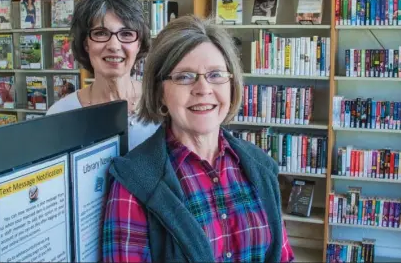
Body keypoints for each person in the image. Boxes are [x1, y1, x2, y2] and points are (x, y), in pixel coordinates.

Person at [103, 15, 295, 262]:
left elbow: (283, 255)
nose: (203, 89)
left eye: (216, 75)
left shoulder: (260, 166)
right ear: (160, 92)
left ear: (232, 84)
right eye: (184, 76)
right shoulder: (133, 183)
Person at [46, 0, 159, 150]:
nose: (114, 45)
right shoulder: (59, 115)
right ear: (86, 44)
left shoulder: (161, 104)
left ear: (139, 43)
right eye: (100, 33)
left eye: (126, 34)